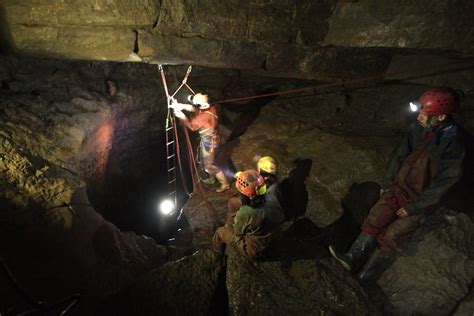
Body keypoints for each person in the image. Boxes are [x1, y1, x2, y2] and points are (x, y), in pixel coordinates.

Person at [329, 87, 466, 282]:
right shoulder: (418, 128)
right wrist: (387, 182)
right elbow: (400, 155)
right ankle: (352, 258)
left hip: (418, 200)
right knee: (376, 217)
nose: (419, 116)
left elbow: (447, 181)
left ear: (441, 117)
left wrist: (414, 207)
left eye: (425, 113)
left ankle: (364, 277)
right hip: (397, 188)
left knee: (394, 236)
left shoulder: (453, 141)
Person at [212, 169, 284, 258]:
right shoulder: (271, 198)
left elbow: (238, 232)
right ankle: (229, 225)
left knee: (220, 232)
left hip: (256, 248)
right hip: (274, 235)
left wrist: (237, 223)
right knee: (233, 202)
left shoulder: (245, 213)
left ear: (248, 195)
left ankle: (219, 257)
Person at [171, 93, 230, 193]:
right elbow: (193, 108)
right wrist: (180, 106)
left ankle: (225, 183)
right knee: (205, 160)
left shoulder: (202, 117)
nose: (193, 104)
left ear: (201, 105)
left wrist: (181, 116)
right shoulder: (209, 106)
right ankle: (210, 178)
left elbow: (192, 127)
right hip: (212, 136)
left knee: (209, 165)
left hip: (209, 142)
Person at [225, 156, 284, 228]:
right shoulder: (270, 179)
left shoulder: (272, 191)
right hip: (259, 200)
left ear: (261, 170)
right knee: (233, 202)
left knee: (233, 202)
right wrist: (243, 176)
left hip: (260, 209)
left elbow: (273, 212)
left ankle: (231, 226)